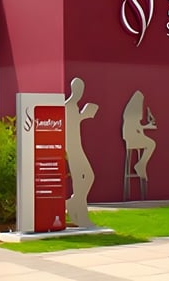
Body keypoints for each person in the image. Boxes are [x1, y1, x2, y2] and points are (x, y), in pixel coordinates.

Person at [64, 77, 98, 227]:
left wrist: (82, 116)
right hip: (72, 149)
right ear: (73, 89)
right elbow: (66, 128)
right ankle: (81, 215)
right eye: (78, 89)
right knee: (81, 180)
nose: (80, 92)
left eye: (82, 89)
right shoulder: (67, 106)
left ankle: (74, 203)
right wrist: (81, 117)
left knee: (89, 177)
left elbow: (73, 124)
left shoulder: (74, 106)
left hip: (78, 147)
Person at [122, 90, 156, 180]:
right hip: (131, 138)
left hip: (131, 137)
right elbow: (136, 127)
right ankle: (141, 165)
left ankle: (141, 164)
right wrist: (147, 126)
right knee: (151, 144)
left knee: (151, 143)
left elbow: (136, 127)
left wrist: (146, 127)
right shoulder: (132, 113)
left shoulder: (129, 113)